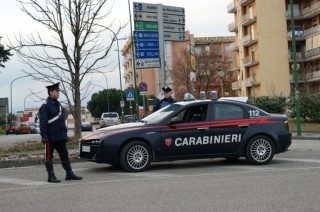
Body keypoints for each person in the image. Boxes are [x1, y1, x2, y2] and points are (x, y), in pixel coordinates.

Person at [39, 82, 82, 183]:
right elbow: (43, 123)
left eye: (58, 91)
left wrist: (64, 135)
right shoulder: (45, 106)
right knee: (48, 156)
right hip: (50, 137)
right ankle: (51, 176)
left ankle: (69, 174)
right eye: (56, 91)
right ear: (50, 92)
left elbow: (61, 121)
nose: (58, 93)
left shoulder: (58, 104)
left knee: (64, 155)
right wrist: (44, 136)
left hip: (60, 136)